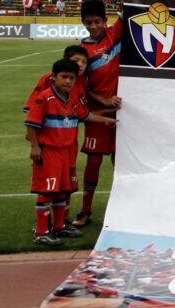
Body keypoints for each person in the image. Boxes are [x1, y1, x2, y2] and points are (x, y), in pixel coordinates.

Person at [25, 59, 117, 246]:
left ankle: (59, 226)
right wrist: (35, 146)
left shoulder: (72, 98)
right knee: (47, 191)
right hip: (49, 151)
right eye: (64, 77)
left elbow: (85, 115)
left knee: (63, 190)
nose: (67, 81)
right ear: (54, 77)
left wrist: (107, 120)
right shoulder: (45, 98)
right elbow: (31, 123)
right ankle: (41, 231)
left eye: (71, 78)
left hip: (66, 152)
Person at [74, 0, 123, 228]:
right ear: (83, 22)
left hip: (121, 112)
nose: (93, 26)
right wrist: (103, 100)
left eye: (97, 21)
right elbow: (80, 86)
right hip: (98, 113)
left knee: (118, 161)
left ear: (105, 20)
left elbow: (131, 4)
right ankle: (86, 209)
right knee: (93, 161)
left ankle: (121, 210)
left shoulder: (114, 33)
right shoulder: (81, 52)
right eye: (88, 22)